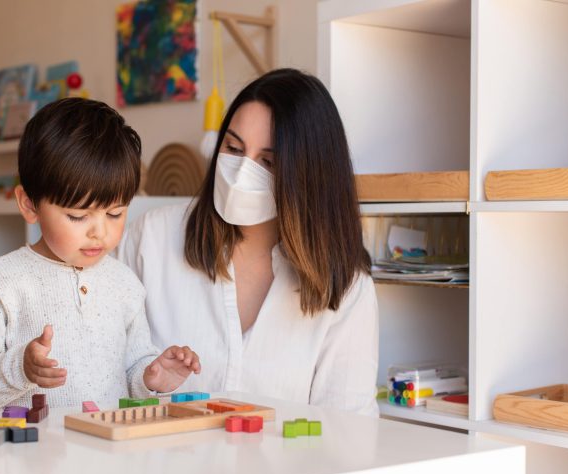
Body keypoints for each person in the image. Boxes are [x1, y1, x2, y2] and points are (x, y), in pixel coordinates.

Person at [118, 68, 378, 416]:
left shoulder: (347, 287)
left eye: (267, 161)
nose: (241, 174)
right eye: (234, 148)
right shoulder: (151, 238)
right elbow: (98, 370)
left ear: (310, 174)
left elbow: (347, 431)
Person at [0, 98, 201, 414]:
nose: (99, 232)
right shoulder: (4, 282)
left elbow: (131, 371)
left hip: (108, 453)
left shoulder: (124, 283)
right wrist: (19, 369)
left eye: (115, 213)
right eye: (78, 216)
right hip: (32, 458)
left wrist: (153, 376)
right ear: (29, 205)